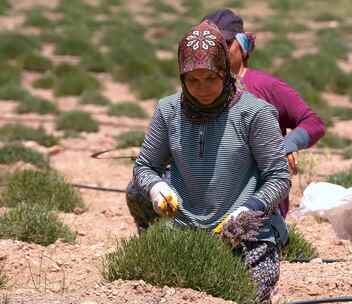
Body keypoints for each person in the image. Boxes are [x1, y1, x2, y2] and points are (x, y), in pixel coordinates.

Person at [126, 20, 290, 303]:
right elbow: (145, 166)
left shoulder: (255, 113)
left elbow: (279, 178)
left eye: (211, 79)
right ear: (182, 78)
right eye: (193, 80)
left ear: (225, 73)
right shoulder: (169, 110)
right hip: (186, 233)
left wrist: (250, 210)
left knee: (240, 295)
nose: (202, 89)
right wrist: (155, 188)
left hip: (246, 236)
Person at [203, 9, 326, 217]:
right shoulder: (196, 90)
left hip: (259, 201)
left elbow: (313, 123)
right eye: (210, 45)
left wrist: (289, 143)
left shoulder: (265, 86)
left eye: (225, 43)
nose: (217, 51)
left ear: (241, 48)